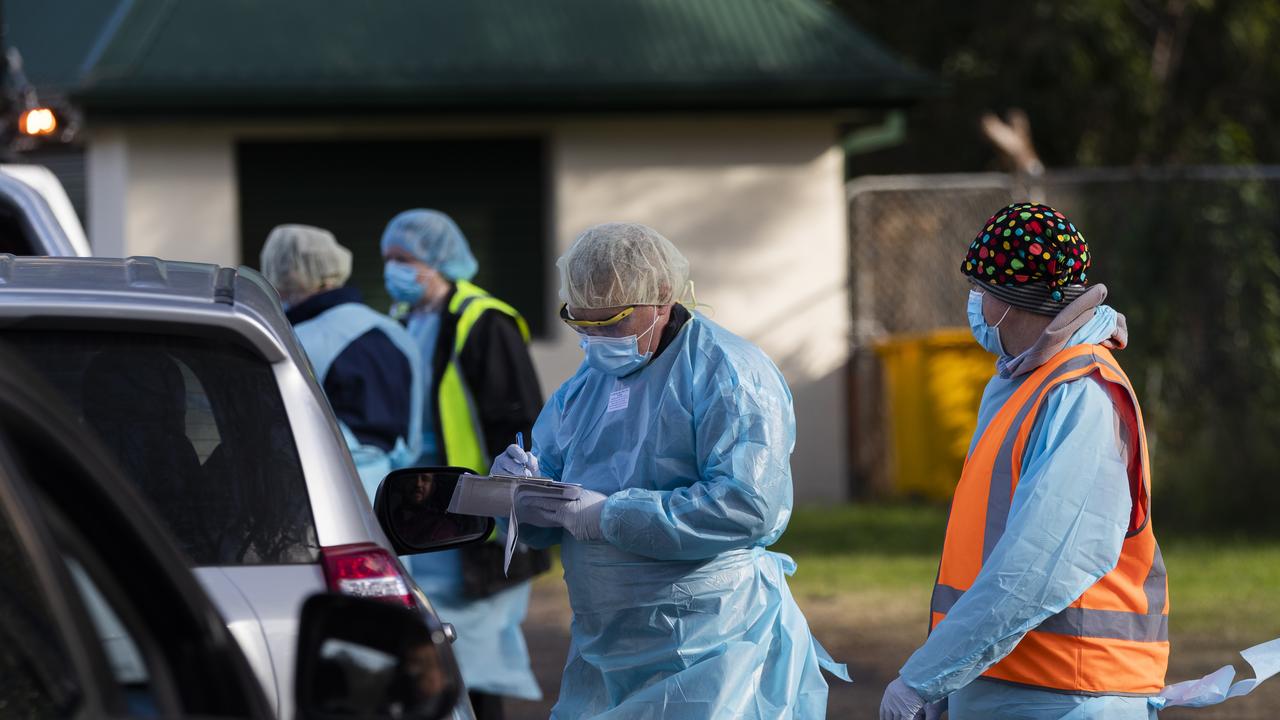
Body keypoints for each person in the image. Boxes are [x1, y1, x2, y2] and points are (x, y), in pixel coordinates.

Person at [492, 222, 848, 719]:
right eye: (582, 325)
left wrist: (611, 515)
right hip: (603, 648)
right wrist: (520, 491)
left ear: (661, 296)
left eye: (611, 322)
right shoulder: (588, 381)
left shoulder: (729, 370)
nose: (596, 340)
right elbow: (554, 484)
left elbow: (748, 506)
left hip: (709, 643)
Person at [879, 202, 1168, 720]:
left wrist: (927, 678)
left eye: (982, 290)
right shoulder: (1029, 382)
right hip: (1025, 688)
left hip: (1069, 694)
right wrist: (952, 682)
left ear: (1011, 298)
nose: (976, 304)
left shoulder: (1080, 392)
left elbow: (1040, 564)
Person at [380, 209, 544, 718]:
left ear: (436, 261)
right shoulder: (405, 319)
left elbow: (516, 419)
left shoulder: (483, 320)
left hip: (476, 514)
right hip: (427, 505)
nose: (394, 271)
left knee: (472, 654)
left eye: (404, 260)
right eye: (387, 260)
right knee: (431, 647)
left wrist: (507, 502)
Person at [260, 224, 423, 498]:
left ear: (286, 274)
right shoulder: (392, 330)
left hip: (326, 500)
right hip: (395, 499)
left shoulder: (298, 340)